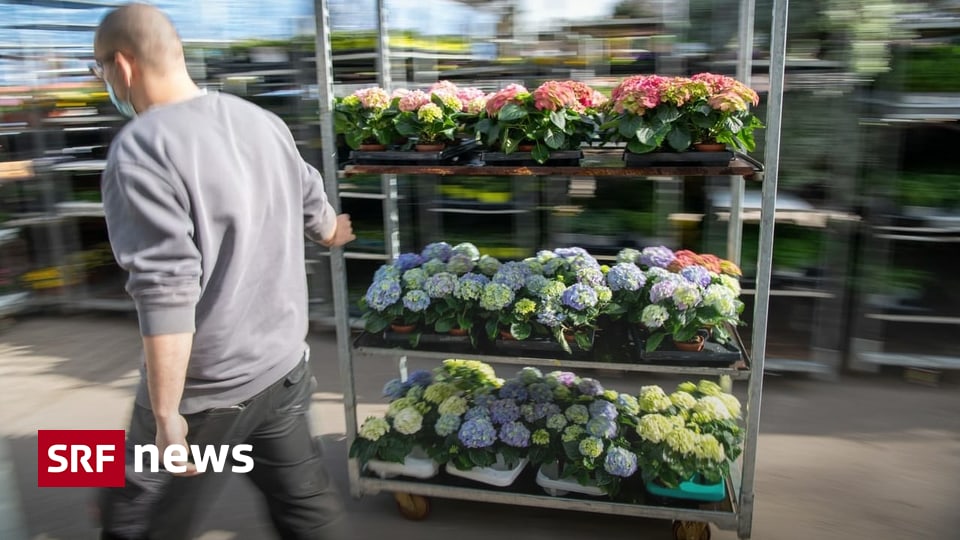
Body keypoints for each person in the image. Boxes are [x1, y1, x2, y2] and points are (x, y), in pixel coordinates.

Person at [90, 3, 354, 539]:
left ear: (122, 67)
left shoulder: (142, 149)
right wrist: (334, 232)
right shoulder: (261, 121)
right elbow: (317, 212)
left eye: (99, 72)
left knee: (136, 519)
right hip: (282, 370)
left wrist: (166, 417)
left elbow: (167, 290)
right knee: (306, 510)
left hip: (208, 393)